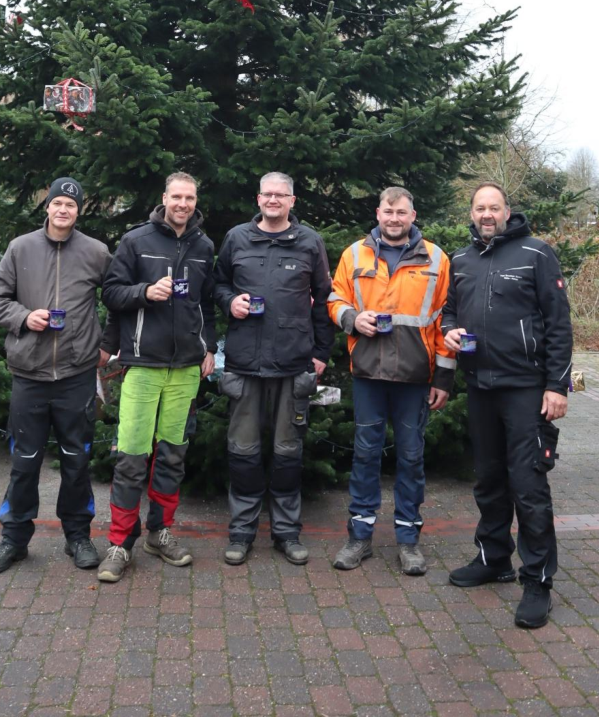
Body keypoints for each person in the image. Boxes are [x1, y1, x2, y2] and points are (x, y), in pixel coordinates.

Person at [442, 181, 573, 629]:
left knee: (528, 485)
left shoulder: (536, 253)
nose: (486, 214)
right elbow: (450, 311)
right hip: (480, 386)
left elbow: (558, 322)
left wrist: (557, 387)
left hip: (526, 389)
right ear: (472, 212)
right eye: (479, 208)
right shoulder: (461, 259)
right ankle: (493, 557)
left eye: (493, 207)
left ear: (507, 211)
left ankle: (537, 581)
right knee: (490, 478)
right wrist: (450, 330)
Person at [0, 177, 111, 574]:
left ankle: (78, 537)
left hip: (76, 374)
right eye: (57, 203)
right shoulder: (21, 248)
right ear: (47, 207)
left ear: (78, 211)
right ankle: (14, 540)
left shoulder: (96, 252)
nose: (63, 210)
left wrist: (107, 343)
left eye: (71, 205)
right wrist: (24, 317)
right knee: (25, 461)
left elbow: (119, 297)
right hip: (30, 374)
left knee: (76, 460)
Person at [96, 173, 216, 584]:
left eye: (189, 197)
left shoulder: (204, 246)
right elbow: (111, 293)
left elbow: (207, 306)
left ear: (195, 201)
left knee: (172, 454)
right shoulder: (136, 241)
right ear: (164, 198)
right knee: (131, 455)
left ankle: (158, 533)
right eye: (176, 196)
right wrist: (145, 292)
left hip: (185, 370)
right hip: (143, 365)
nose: (182, 203)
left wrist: (210, 347)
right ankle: (119, 543)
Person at [329, 186, 455, 576]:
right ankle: (359, 536)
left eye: (402, 212)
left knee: (412, 458)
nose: (395, 218)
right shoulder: (354, 254)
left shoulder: (436, 259)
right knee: (365, 454)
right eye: (388, 211)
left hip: (415, 377)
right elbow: (334, 298)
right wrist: (352, 319)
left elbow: (445, 319)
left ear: (413, 215)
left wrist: (444, 379)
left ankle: (408, 541)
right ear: (378, 213)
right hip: (368, 373)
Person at [214, 172, 334, 566]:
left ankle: (286, 533)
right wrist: (230, 301)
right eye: (267, 193)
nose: (273, 200)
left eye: (281, 195)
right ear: (258, 198)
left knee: (287, 452)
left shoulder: (309, 243)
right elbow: (216, 285)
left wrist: (320, 354)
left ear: (292, 201)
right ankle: (242, 533)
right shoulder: (236, 239)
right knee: (243, 451)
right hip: (245, 365)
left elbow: (323, 299)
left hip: (292, 365)